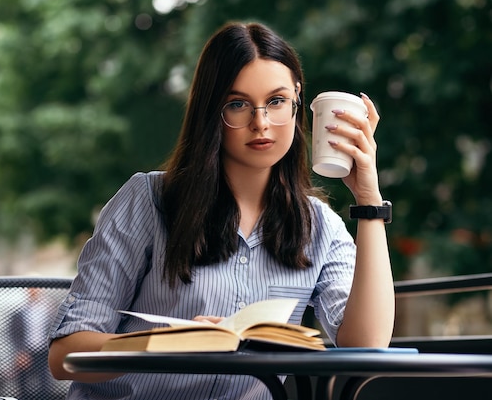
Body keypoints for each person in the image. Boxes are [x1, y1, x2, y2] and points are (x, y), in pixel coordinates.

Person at [47, 21, 395, 400]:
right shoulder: (147, 200)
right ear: (212, 110)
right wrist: (172, 345)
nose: (261, 123)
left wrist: (368, 200)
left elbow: (368, 344)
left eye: (277, 102)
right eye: (238, 104)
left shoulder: (319, 226)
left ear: (297, 99)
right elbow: (65, 355)